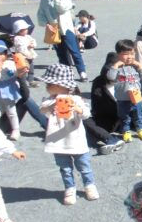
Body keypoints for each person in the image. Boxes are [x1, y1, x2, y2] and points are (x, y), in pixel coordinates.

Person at [39, 63, 98, 205]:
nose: (46, 86)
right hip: (58, 142)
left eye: (49, 83)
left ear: (61, 85)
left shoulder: (76, 99)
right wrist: (52, 106)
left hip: (76, 140)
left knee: (84, 166)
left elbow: (86, 114)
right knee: (65, 168)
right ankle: (70, 188)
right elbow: (42, 110)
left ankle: (89, 185)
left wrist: (77, 108)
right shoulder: (48, 100)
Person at [37, 0, 88, 81]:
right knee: (61, 53)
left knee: (75, 51)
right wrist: (46, 24)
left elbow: (61, 9)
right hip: (54, 30)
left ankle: (82, 72)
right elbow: (40, 15)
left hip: (67, 28)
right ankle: (66, 72)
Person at [107, 39, 142, 143]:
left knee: (138, 114)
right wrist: (115, 65)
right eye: (125, 54)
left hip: (137, 97)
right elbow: (110, 77)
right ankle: (126, 131)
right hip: (123, 98)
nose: (130, 57)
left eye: (132, 54)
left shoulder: (135, 67)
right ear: (118, 54)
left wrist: (140, 66)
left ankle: (140, 129)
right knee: (125, 116)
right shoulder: (116, 68)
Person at [0, 40, 22, 141]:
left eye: (1, 54)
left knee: (11, 112)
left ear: (6, 55)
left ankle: (16, 130)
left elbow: (14, 74)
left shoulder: (10, 64)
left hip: (8, 92)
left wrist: (21, 69)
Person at [12, 19, 38, 87]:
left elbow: (33, 41)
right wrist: (28, 47)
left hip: (30, 55)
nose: (27, 30)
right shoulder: (17, 38)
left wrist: (33, 45)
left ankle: (31, 81)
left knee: (31, 69)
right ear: (19, 30)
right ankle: (22, 82)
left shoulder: (28, 36)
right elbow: (20, 49)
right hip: (23, 57)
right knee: (23, 70)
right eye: (25, 29)